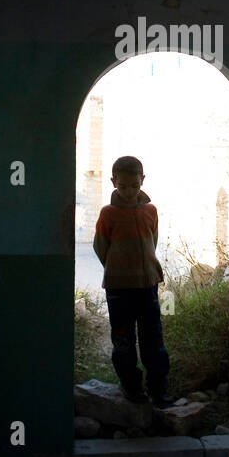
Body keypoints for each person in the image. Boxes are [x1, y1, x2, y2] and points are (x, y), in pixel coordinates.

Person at [93, 156, 179, 407]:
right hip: (119, 290)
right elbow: (101, 248)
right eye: (123, 187)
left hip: (148, 286)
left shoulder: (150, 211)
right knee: (123, 340)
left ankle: (158, 390)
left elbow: (153, 241)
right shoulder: (108, 214)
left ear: (143, 181)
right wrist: (119, 269)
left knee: (154, 338)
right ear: (113, 182)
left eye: (135, 186)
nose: (129, 192)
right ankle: (131, 387)